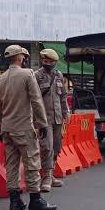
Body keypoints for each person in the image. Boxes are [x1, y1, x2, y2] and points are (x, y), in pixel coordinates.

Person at [0, 45, 57, 210]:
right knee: (32, 162)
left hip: (6, 129)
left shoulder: (0, 79)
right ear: (21, 58)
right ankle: (35, 199)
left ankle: (15, 201)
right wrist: (42, 123)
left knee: (12, 165)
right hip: (23, 128)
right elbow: (36, 101)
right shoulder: (27, 74)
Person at [34, 49, 70, 192]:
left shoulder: (59, 75)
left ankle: (51, 173)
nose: (47, 63)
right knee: (46, 147)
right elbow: (33, 99)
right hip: (44, 119)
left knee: (56, 146)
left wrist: (66, 111)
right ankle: (46, 177)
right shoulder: (37, 76)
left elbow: (63, 96)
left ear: (55, 62)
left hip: (57, 118)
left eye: (50, 62)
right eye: (45, 61)